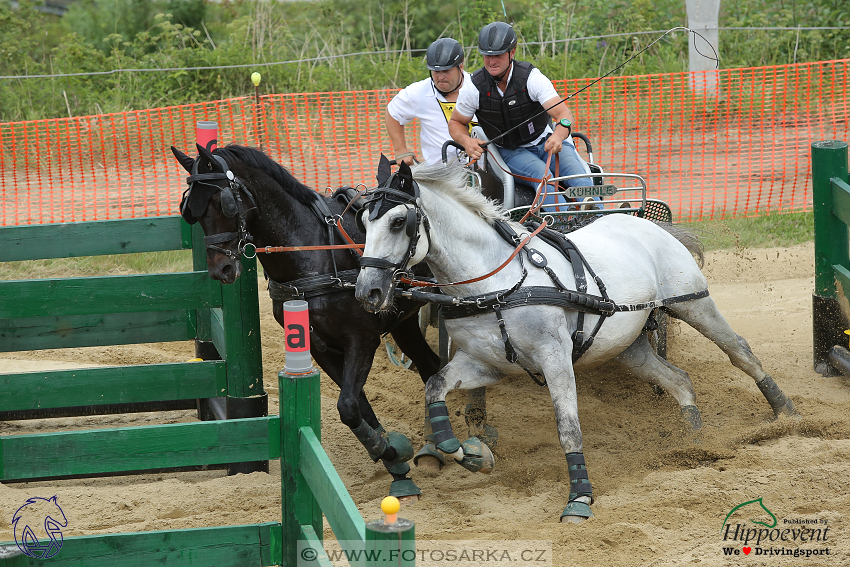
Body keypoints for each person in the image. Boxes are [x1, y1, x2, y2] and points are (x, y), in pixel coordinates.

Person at [448, 21, 597, 210]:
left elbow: (564, 114)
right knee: (545, 179)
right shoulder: (473, 87)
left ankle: (600, 218)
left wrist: (559, 135)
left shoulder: (532, 77)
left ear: (512, 52)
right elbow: (456, 123)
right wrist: (466, 141)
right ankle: (564, 224)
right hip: (510, 152)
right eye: (487, 55)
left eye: (498, 55)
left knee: (579, 178)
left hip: (546, 141)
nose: (492, 61)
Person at [386, 37, 474, 165]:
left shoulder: (478, 87)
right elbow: (392, 112)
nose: (440, 77)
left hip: (482, 172)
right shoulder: (419, 92)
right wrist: (401, 150)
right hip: (439, 175)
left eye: (446, 71)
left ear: (460, 66)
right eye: (436, 71)